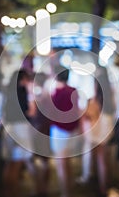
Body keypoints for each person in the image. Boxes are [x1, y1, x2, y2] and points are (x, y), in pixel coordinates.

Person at [79, 66, 116, 196]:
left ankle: (103, 188)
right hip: (107, 123)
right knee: (105, 157)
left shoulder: (96, 90)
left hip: (98, 124)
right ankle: (106, 183)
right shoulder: (110, 90)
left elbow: (91, 110)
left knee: (101, 159)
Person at [1, 69, 38, 197]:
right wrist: (31, 95)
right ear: (23, 79)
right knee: (19, 163)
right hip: (21, 129)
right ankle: (18, 192)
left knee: (9, 163)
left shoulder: (8, 93)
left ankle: (8, 192)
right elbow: (31, 112)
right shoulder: (23, 92)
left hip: (9, 129)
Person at [49, 66, 81, 197]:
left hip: (60, 131)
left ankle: (65, 192)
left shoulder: (56, 92)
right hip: (72, 130)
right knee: (67, 162)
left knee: (61, 164)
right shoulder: (73, 91)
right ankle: (70, 189)